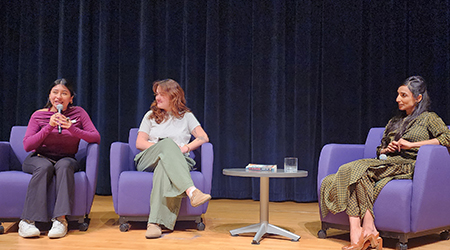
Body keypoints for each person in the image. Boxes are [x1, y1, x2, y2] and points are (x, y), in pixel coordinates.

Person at [320, 76, 450, 250]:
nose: (398, 99)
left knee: (349, 169)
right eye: (398, 94)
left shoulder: (429, 118)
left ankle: (360, 232)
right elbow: (379, 148)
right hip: (387, 162)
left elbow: (447, 137)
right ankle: (365, 229)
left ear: (418, 98)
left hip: (407, 164)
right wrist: (386, 149)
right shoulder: (394, 121)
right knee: (358, 176)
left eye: (404, 95)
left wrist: (411, 145)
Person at [19, 78, 101, 239]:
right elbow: (28, 145)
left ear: (71, 98)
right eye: (55, 92)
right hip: (39, 157)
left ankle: (60, 220)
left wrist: (73, 128)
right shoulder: (38, 115)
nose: (59, 96)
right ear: (49, 95)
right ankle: (28, 222)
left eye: (64, 93)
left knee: (64, 166)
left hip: (66, 158)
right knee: (44, 167)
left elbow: (95, 137)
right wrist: (49, 126)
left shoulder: (79, 113)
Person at [134, 78, 211, 239]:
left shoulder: (187, 117)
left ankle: (155, 224)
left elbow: (203, 137)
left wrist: (185, 148)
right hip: (149, 158)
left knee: (164, 166)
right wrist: (163, 148)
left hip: (177, 161)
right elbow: (140, 143)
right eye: (156, 94)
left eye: (162, 94)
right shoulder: (150, 116)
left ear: (174, 96)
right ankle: (192, 191)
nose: (157, 98)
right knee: (167, 144)